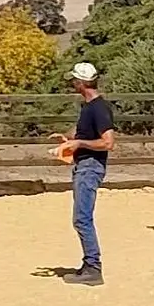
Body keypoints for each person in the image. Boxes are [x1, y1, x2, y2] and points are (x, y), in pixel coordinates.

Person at [48, 62, 115, 286]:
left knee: (82, 218)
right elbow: (83, 132)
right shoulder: (88, 107)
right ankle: (89, 265)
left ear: (82, 82)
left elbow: (107, 142)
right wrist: (68, 139)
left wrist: (78, 143)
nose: (72, 84)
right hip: (84, 165)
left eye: (75, 80)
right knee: (81, 217)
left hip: (90, 167)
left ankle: (93, 267)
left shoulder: (99, 108)